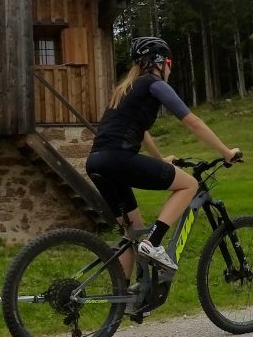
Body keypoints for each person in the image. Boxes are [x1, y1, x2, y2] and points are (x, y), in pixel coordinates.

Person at [85, 36, 240, 280]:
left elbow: (142, 132)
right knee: (189, 185)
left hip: (97, 162)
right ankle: (154, 242)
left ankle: (122, 295)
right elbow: (193, 122)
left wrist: (160, 160)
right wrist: (226, 152)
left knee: (131, 234)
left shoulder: (126, 89)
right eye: (168, 62)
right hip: (118, 159)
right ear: (158, 62)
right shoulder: (153, 84)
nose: (169, 68)